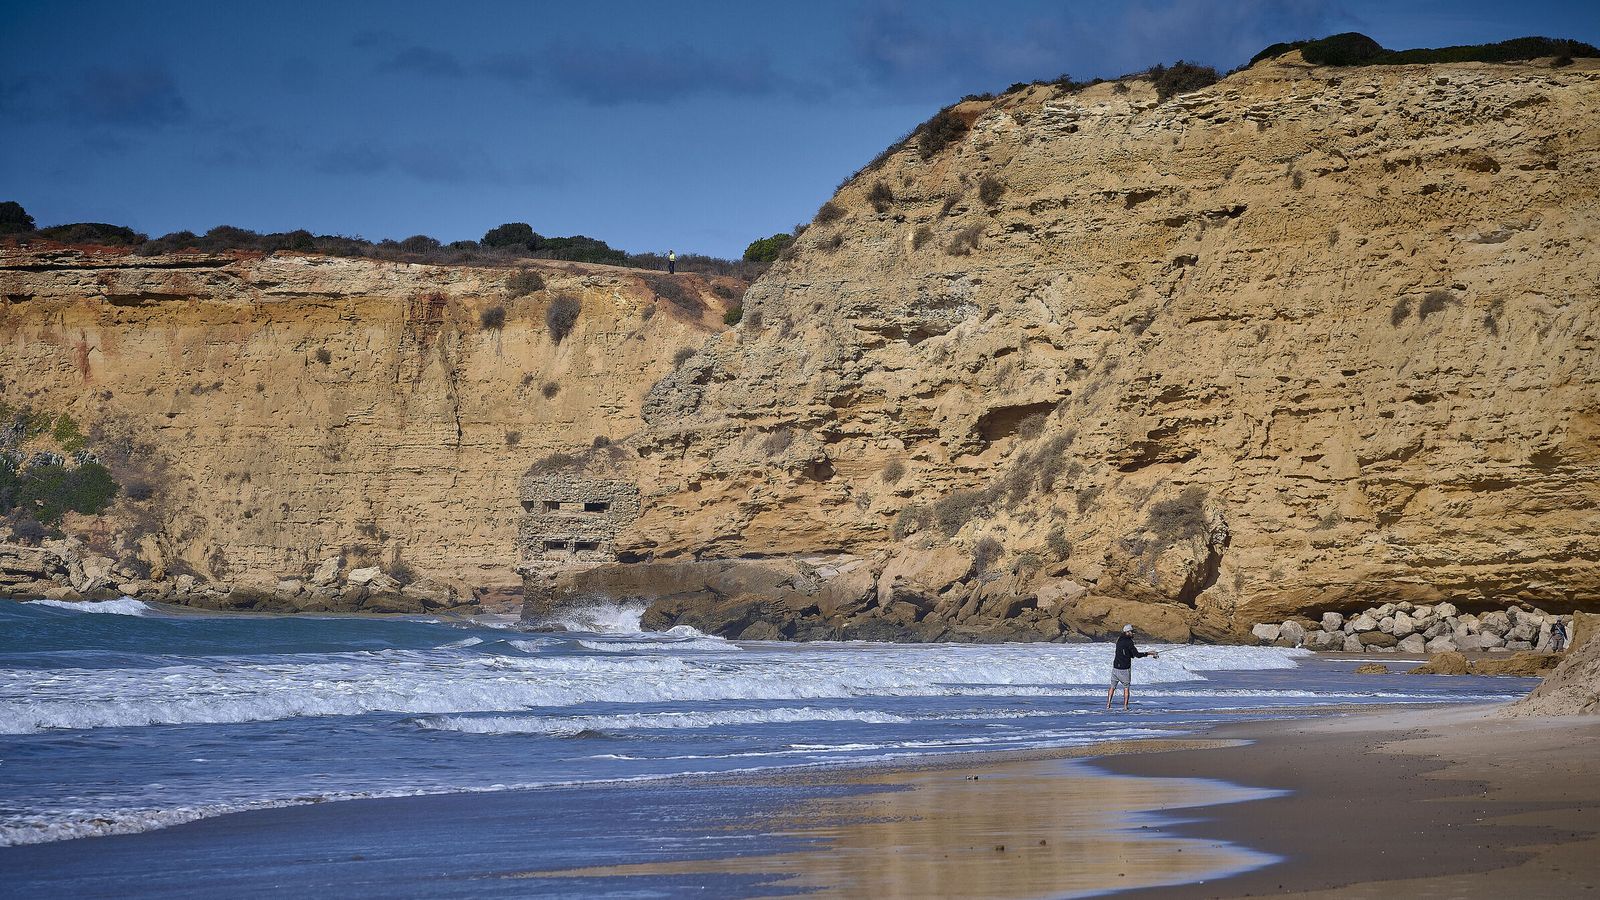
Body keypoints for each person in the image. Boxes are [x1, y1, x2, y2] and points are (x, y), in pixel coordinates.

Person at [1108, 624, 1158, 710]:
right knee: (1126, 688)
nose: (1133, 633)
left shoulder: (1119, 639)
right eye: (1131, 632)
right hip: (1125, 669)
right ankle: (1125, 706)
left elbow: (1126, 652)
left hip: (1115, 667)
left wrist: (1131, 655)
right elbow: (1137, 655)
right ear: (1127, 632)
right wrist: (1149, 653)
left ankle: (1108, 705)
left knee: (1112, 687)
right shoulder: (1129, 642)